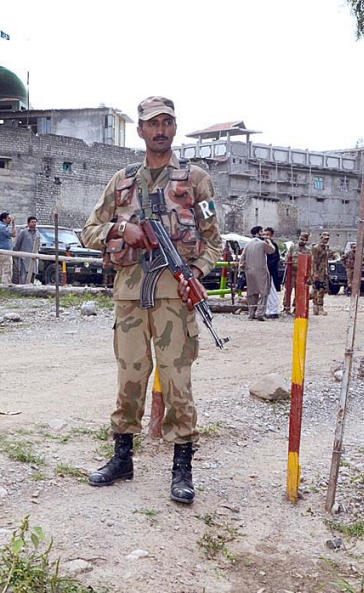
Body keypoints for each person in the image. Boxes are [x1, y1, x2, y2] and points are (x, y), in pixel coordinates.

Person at [81, 96, 222, 505]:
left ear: (174, 129)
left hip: (175, 298)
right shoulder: (122, 180)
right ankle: (123, 455)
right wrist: (120, 229)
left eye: (167, 123)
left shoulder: (195, 180)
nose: (160, 130)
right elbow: (90, 229)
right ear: (140, 131)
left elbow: (213, 241)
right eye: (152, 124)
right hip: (129, 295)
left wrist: (194, 274)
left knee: (177, 381)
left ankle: (182, 466)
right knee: (130, 377)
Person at [240, 226, 275, 321]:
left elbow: (242, 259)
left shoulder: (248, 245)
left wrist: (242, 268)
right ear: (259, 232)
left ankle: (251, 314)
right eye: (262, 231)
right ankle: (260, 313)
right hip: (261, 271)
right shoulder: (262, 244)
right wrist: (269, 242)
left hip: (249, 271)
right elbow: (272, 250)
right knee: (263, 292)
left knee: (251, 293)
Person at [283, 231, 310, 315]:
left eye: (304, 240)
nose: (302, 241)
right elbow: (287, 257)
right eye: (301, 239)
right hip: (291, 272)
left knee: (299, 291)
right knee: (288, 290)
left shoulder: (308, 250)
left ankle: (296, 307)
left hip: (301, 273)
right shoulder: (293, 247)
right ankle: (286, 307)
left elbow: (309, 262)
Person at [12, 216, 39, 284]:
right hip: (24, 258)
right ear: (28, 223)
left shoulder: (37, 232)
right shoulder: (23, 232)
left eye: (35, 222)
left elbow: (38, 244)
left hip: (34, 258)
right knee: (23, 275)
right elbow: (17, 244)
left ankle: (31, 289)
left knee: (33, 274)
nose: (34, 224)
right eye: (32, 222)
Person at [0, 212, 16, 285]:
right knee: (7, 268)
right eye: (8, 218)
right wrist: (14, 224)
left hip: (0, 249)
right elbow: (14, 234)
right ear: (4, 219)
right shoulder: (3, 227)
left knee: (0, 270)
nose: (10, 220)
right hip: (5, 251)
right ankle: (7, 284)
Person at [263, 227, 282, 318]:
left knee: (272, 291)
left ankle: (273, 310)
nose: (266, 237)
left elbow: (275, 258)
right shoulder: (262, 245)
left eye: (268, 235)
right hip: (264, 272)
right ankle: (267, 309)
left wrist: (267, 266)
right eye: (265, 235)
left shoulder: (274, 246)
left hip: (271, 272)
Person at [310, 232, 330, 315]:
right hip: (317, 272)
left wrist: (327, 271)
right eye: (324, 238)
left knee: (322, 289)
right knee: (317, 289)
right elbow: (314, 261)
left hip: (323, 272)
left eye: (327, 239)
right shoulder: (316, 248)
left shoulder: (325, 248)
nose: (326, 240)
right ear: (321, 238)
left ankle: (319, 307)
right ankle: (317, 307)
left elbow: (325, 261)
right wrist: (315, 273)